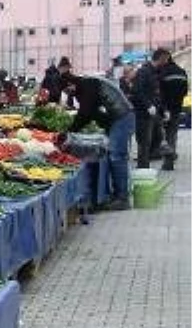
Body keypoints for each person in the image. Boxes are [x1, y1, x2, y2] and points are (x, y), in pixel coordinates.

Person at [66, 74, 136, 210]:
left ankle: (122, 198)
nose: (68, 93)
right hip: (118, 118)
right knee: (114, 156)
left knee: (116, 156)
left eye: (67, 89)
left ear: (72, 83)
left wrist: (70, 131)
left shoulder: (88, 84)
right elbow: (91, 113)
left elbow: (85, 113)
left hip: (122, 117)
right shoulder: (86, 86)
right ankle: (116, 195)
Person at [129, 53, 163, 169]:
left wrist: (160, 109)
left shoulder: (153, 72)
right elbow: (137, 90)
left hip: (151, 112)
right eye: (165, 60)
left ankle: (145, 165)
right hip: (142, 112)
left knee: (154, 138)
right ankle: (143, 167)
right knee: (144, 141)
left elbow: (155, 92)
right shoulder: (144, 71)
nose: (165, 63)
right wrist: (148, 105)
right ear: (160, 59)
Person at [155, 48, 187, 171]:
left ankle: (168, 157)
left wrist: (163, 106)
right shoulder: (182, 71)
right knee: (172, 134)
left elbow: (159, 92)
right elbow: (184, 91)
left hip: (164, 109)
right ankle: (169, 162)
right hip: (177, 108)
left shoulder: (162, 72)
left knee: (160, 134)